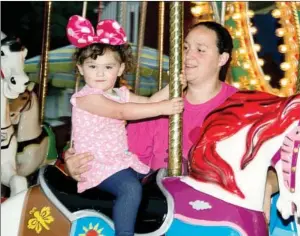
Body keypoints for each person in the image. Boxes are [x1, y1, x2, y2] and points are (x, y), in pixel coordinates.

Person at [62, 20, 278, 224]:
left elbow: (291, 157)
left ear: (222, 59)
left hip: (222, 214)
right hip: (165, 215)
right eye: (184, 48)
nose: (187, 56)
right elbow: (110, 156)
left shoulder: (243, 107)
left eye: (200, 50)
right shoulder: (150, 112)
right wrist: (73, 164)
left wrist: (268, 182)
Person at [65, 15, 185, 236]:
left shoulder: (119, 93)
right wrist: (164, 108)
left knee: (161, 179)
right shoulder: (86, 98)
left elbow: (149, 102)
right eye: (93, 66)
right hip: (97, 164)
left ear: (120, 69)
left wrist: (175, 85)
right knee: (130, 189)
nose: (100, 73)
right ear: (81, 69)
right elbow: (122, 111)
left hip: (121, 161)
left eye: (108, 66)